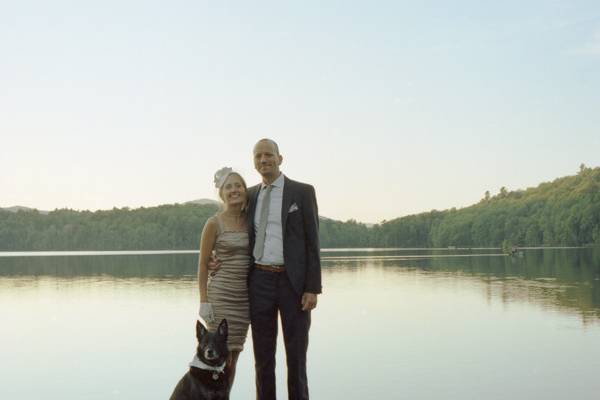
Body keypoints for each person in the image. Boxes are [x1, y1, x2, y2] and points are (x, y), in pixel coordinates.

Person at [247, 138, 321, 400]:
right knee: (263, 360)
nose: (263, 160)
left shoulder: (302, 192)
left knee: (296, 359)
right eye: (258, 156)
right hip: (260, 282)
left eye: (268, 155)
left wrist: (312, 287)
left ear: (280, 158)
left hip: (294, 284)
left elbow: (312, 242)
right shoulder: (250, 195)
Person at [197, 168, 251, 389]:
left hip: (244, 300)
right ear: (221, 193)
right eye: (228, 187)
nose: (234, 190)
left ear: (245, 190)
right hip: (220, 297)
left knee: (233, 357)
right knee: (212, 361)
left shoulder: (252, 220)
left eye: (238, 185)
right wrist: (203, 300)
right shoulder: (214, 223)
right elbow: (202, 263)